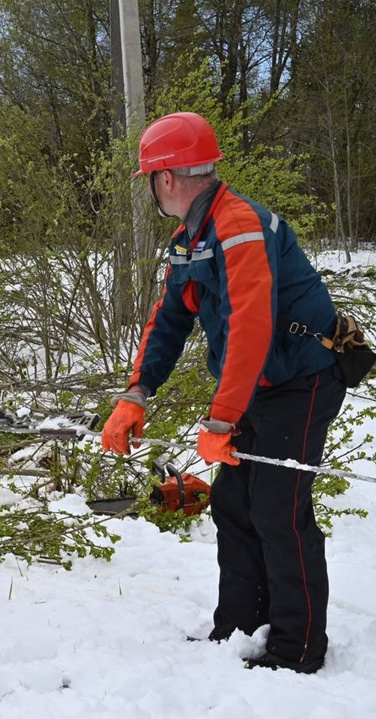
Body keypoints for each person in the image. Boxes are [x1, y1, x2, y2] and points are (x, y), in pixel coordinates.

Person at [100, 112, 347, 674]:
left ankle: (296, 648)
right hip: (258, 385)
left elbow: (252, 328)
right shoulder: (191, 238)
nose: (152, 191)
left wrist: (219, 420)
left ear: (166, 178)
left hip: (300, 382)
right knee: (235, 506)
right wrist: (137, 392)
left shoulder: (238, 227)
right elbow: (167, 321)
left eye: (150, 180)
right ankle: (238, 628)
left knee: (279, 511)